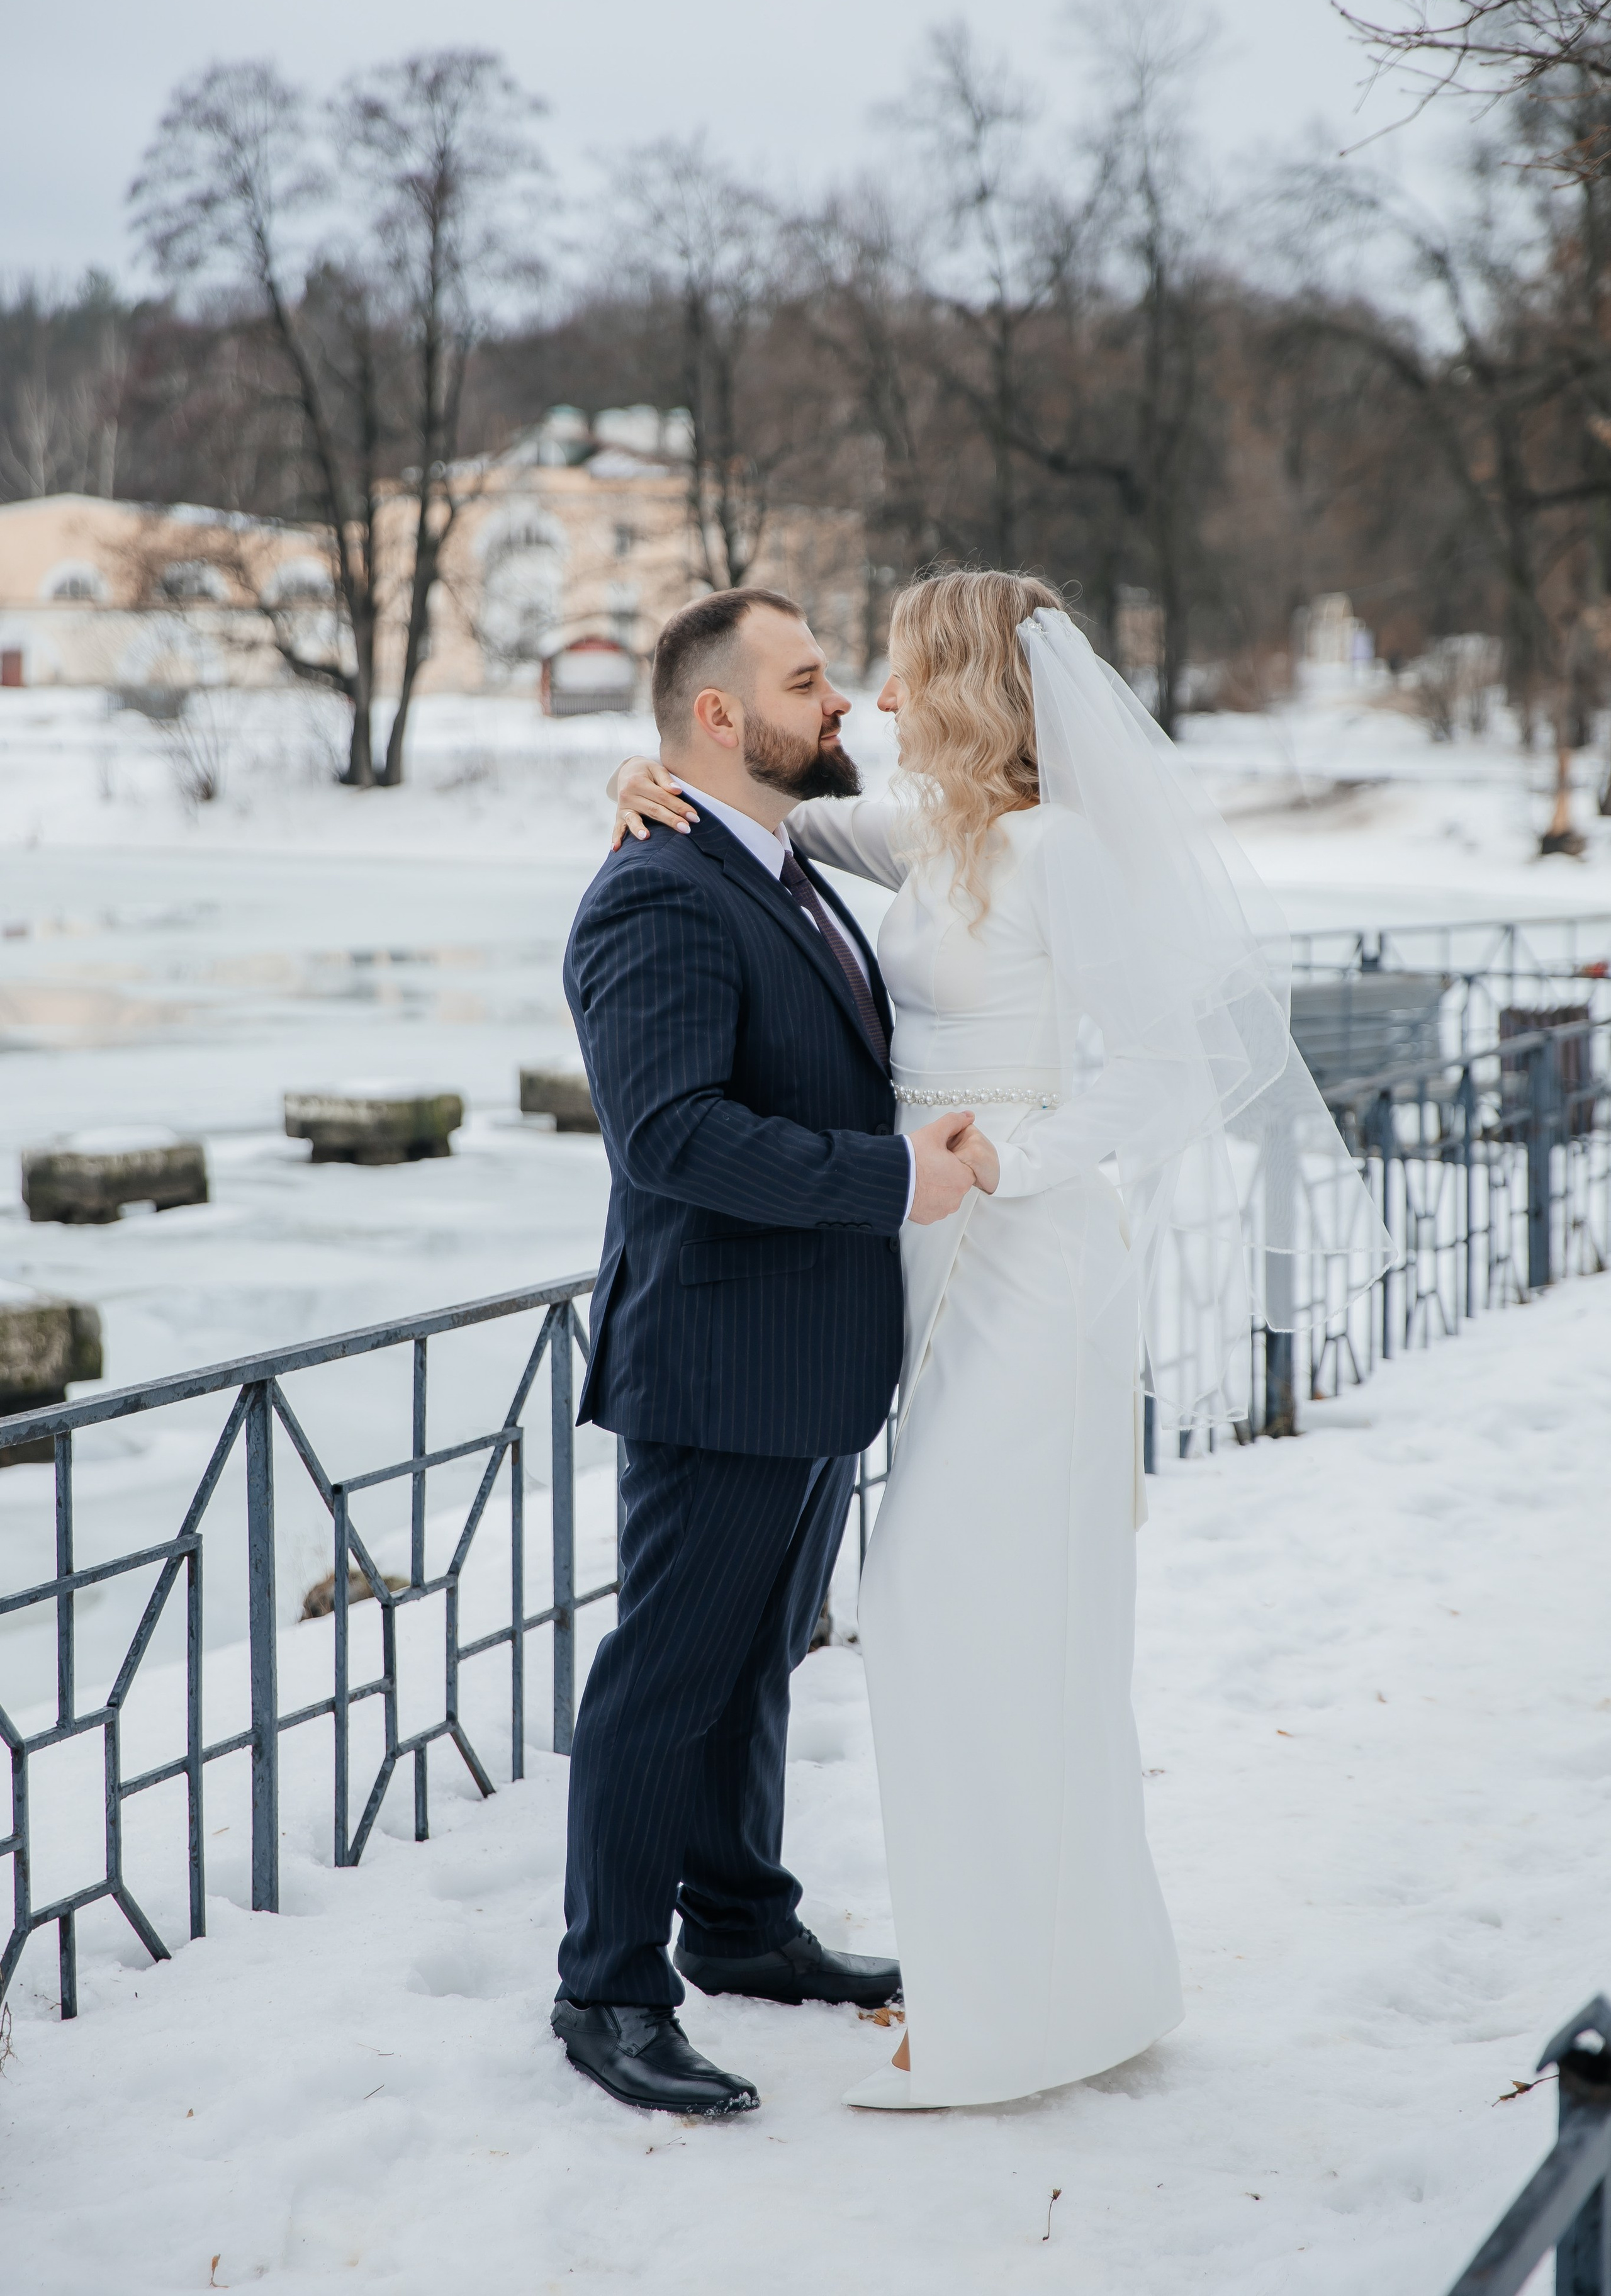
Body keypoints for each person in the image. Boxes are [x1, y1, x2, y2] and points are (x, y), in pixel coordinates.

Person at [609, 568, 1391, 2110]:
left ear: (970, 688)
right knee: (972, 1618)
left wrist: (1005, 1165)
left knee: (947, 1606)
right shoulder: (936, 833)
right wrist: (644, 776)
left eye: (905, 671)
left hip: (1022, 1258)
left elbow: (1168, 1070)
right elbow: (767, 817)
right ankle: (1042, 1981)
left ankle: (998, 2006)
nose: (880, 699)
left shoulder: (1059, 854)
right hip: (926, 1260)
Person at [554, 584, 996, 2118]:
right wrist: (890, 1181)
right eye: (807, 681)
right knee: (666, 1678)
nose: (842, 702)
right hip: (715, 1360)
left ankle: (739, 1923)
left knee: (753, 1666)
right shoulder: (658, 891)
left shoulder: (781, 861)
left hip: (804, 1359)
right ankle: (608, 1991)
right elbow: (669, 1137)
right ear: (718, 715)